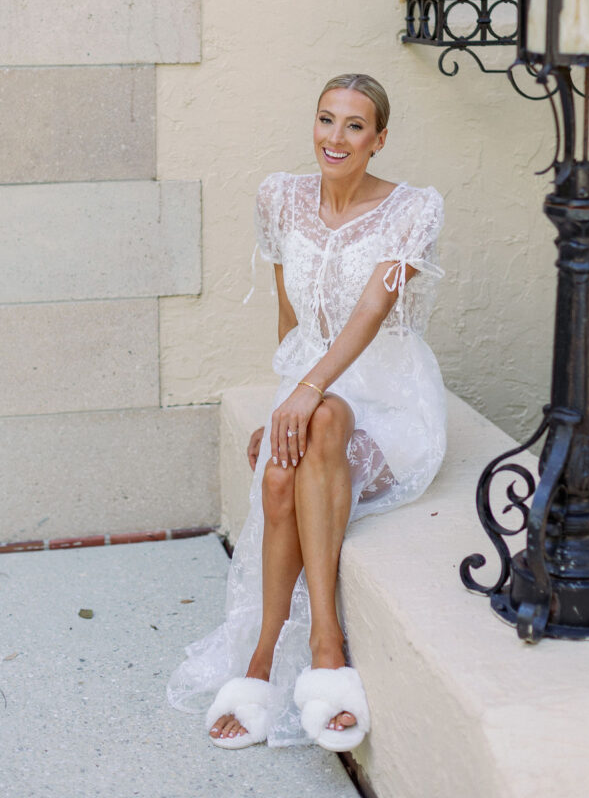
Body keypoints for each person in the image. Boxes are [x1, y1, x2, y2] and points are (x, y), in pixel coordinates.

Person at [167, 73, 446, 751]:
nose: (335, 137)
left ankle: (285, 656)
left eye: (354, 125)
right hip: (314, 385)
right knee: (284, 465)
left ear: (378, 140)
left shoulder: (412, 209)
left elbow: (370, 314)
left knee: (317, 426)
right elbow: (288, 311)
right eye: (325, 120)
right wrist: (286, 397)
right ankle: (305, 655)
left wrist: (306, 393)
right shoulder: (279, 198)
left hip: (387, 395)